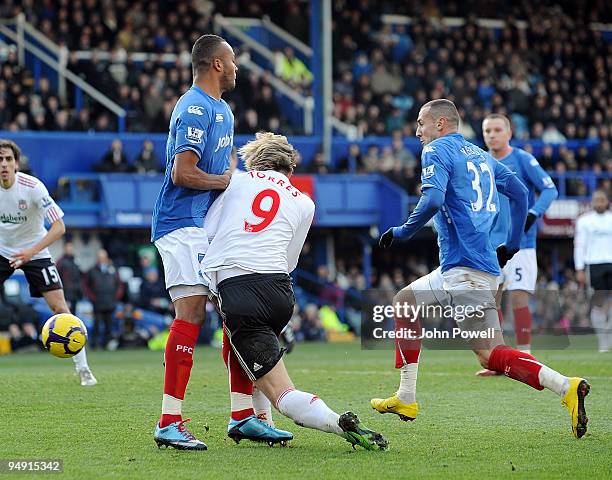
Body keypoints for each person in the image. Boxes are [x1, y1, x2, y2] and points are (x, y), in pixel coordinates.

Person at [370, 100, 590, 439]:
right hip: (468, 265)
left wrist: (402, 232)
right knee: (404, 302)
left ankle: (565, 386)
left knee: (489, 355)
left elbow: (431, 200)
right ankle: (406, 397)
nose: (417, 131)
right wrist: (513, 243)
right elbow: (518, 191)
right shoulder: (481, 156)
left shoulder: (436, 151)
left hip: (467, 269)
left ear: (440, 124)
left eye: (420, 123)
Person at [201, 132, 388, 451]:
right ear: (289, 168)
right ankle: (255, 418)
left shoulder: (236, 181)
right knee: (248, 350)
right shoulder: (304, 201)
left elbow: (208, 230)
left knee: (282, 394)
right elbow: (290, 260)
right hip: (280, 292)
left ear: (255, 161)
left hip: (240, 286)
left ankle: (337, 423)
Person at [150, 34, 237, 451]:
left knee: (237, 311)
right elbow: (183, 173)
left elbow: (227, 169)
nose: (237, 68)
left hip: (207, 225)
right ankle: (169, 420)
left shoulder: (223, 110)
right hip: (180, 222)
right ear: (217, 65)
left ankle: (243, 416)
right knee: (191, 313)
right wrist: (223, 181)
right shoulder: (194, 108)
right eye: (232, 61)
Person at [0, 139, 97, 386]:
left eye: (8, 159)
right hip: (3, 251)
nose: (4, 164)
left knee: (61, 309)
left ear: (16, 163)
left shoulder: (32, 187)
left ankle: (83, 369)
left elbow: (59, 226)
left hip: (35, 251)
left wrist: (30, 252)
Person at [476, 113, 558, 375]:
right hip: (490, 243)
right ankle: (500, 360)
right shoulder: (480, 161)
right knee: (491, 301)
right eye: (487, 131)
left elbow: (549, 189)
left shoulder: (522, 159)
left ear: (509, 133)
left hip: (522, 242)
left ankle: (525, 357)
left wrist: (534, 213)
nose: (492, 135)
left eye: (497, 130)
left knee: (519, 298)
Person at [574, 189, 612, 352]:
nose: (599, 203)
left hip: (610, 262)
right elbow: (579, 245)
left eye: (601, 200)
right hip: (593, 265)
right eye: (596, 200)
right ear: (592, 202)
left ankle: (609, 338)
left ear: (607, 202)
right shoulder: (584, 221)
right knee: (598, 303)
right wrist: (579, 268)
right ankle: (603, 342)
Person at [84, 249, 123, 349]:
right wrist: (93, 298)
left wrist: (115, 298)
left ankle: (107, 344)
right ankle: (95, 345)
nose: (101, 259)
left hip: (110, 302)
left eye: (103, 257)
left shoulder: (113, 269)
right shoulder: (92, 271)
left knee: (109, 325)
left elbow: (119, 285)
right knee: (96, 324)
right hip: (97, 303)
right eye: (100, 257)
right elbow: (86, 286)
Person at [55, 241, 82, 313]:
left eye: (71, 248)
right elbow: (57, 278)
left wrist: (79, 290)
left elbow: (79, 277)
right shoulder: (60, 262)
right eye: (68, 247)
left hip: (75, 294)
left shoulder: (75, 261)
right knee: (65, 314)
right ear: (65, 249)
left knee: (73, 315)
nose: (70, 249)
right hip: (65, 294)